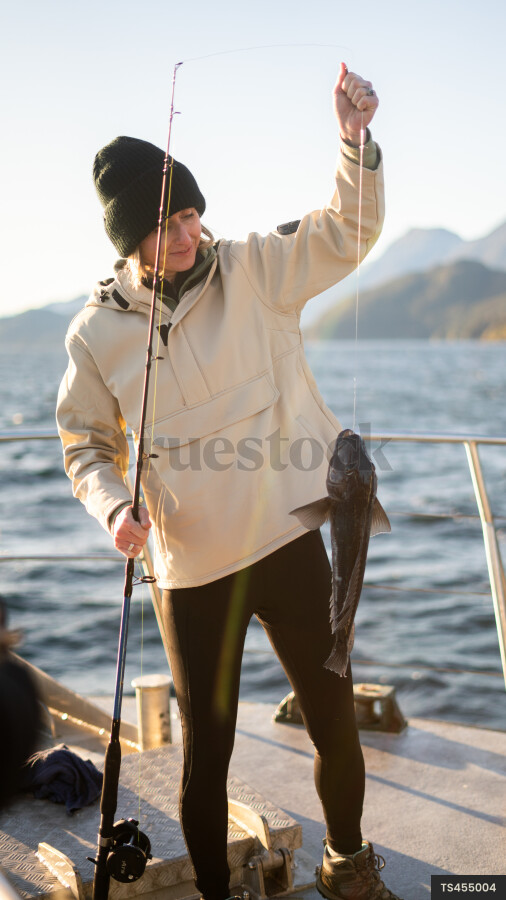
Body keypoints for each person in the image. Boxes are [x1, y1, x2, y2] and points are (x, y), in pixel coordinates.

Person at [57, 63, 401, 900]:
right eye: (164, 223)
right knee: (207, 756)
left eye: (189, 212)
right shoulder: (94, 334)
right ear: (127, 240)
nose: (185, 233)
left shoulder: (255, 268)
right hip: (191, 571)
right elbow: (85, 448)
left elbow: (343, 231)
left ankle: (348, 866)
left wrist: (353, 143)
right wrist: (114, 508)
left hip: (290, 538)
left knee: (335, 725)